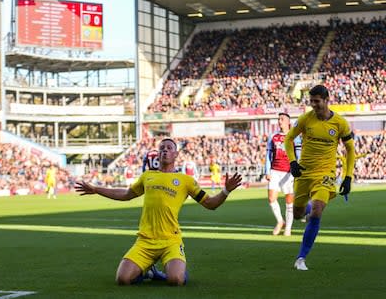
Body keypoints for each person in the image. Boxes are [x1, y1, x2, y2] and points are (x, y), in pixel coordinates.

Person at [75, 138, 242, 285]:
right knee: (122, 279)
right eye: (162, 148)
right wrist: (96, 189)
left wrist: (225, 191)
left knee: (175, 280)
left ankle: (169, 271)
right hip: (145, 241)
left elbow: (210, 204)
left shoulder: (186, 181)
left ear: (176, 154)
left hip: (171, 241)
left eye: (169, 148)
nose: (165, 150)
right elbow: (126, 194)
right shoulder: (147, 176)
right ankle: (148, 272)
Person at [285, 85, 355, 271]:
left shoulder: (340, 123)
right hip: (304, 173)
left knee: (316, 212)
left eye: (317, 101)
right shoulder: (305, 119)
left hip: (326, 174)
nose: (314, 105)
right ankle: (305, 208)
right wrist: (293, 162)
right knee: (299, 213)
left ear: (326, 100)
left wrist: (348, 177)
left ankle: (301, 258)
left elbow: (350, 150)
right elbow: (288, 139)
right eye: (311, 101)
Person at [264, 112, 302, 236]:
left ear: (288, 122)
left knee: (289, 201)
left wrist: (298, 170)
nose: (279, 121)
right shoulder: (273, 136)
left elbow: (298, 156)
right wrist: (267, 170)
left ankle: (288, 229)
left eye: (282, 119)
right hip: (275, 170)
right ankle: (280, 221)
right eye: (278, 119)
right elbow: (268, 155)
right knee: (271, 198)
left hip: (289, 172)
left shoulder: (294, 136)